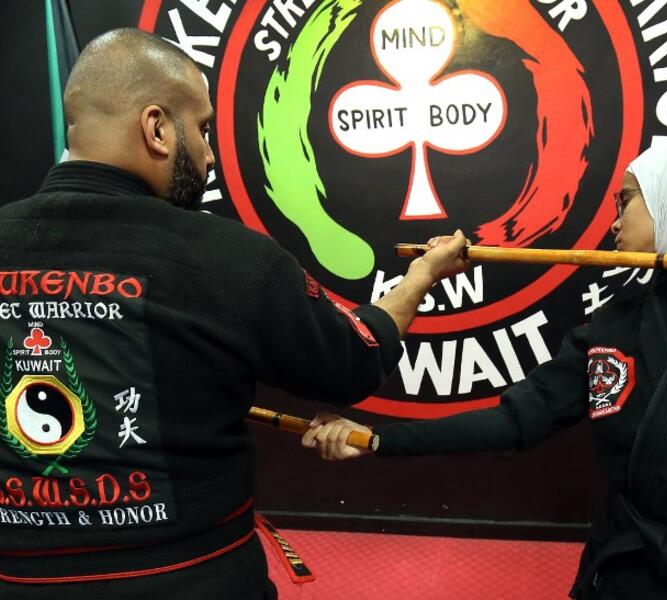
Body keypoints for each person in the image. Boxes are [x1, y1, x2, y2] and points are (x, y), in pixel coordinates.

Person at [0, 28, 468, 599]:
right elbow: (356, 357)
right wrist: (420, 278)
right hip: (193, 581)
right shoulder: (226, 257)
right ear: (157, 129)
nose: (210, 152)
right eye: (200, 129)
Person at [303, 132, 667, 599]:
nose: (614, 221)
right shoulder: (618, 323)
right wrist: (378, 439)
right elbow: (517, 419)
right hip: (630, 569)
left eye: (625, 200)